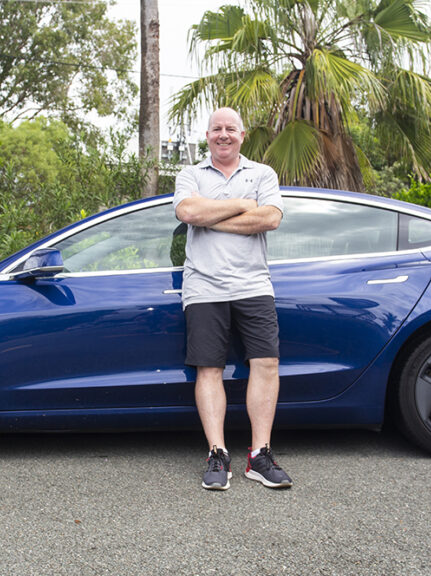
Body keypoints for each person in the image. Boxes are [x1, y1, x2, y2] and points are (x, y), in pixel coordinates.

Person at [173, 107, 292, 491]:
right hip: (203, 286)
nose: (223, 134)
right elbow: (187, 210)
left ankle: (260, 455)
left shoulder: (263, 174)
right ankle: (218, 454)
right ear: (207, 135)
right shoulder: (190, 174)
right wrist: (243, 204)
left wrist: (209, 216)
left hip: (254, 285)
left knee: (266, 363)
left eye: (230, 129)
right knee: (209, 368)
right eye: (216, 129)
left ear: (242, 135)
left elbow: (270, 219)